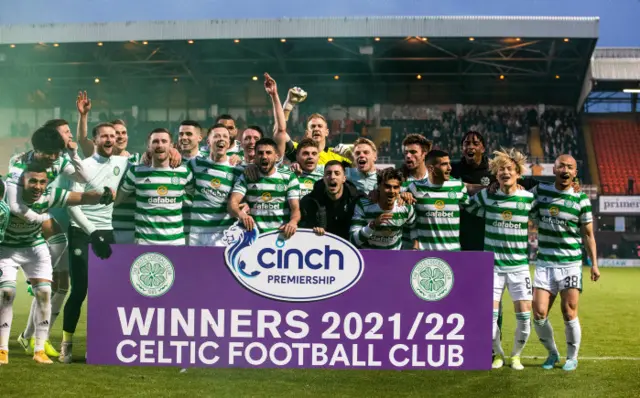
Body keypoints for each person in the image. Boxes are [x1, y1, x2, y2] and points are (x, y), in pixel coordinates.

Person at [0, 163, 112, 365]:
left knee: (49, 291)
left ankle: (37, 347)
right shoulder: (8, 193)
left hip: (38, 244)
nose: (38, 186)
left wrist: (104, 195)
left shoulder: (51, 192)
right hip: (8, 248)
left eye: (42, 181)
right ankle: (7, 347)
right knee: (8, 294)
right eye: (33, 181)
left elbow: (82, 197)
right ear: (22, 182)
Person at [59, 123, 128, 363]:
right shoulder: (84, 166)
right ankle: (66, 343)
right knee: (80, 289)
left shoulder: (122, 163)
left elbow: (149, 159)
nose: (110, 139)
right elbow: (73, 206)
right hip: (82, 230)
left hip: (107, 232)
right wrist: (92, 232)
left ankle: (97, 345)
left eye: (114, 136)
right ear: (95, 140)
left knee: (106, 292)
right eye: (105, 136)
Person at [466, 147, 535, 371]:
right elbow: (468, 209)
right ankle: (498, 354)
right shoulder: (487, 196)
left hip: (519, 268)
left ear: (518, 173)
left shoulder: (528, 199)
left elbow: (542, 215)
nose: (505, 172)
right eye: (501, 169)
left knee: (525, 318)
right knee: (490, 318)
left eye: (509, 169)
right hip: (492, 267)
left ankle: (515, 356)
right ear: (496, 175)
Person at [531, 154, 600, 372]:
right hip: (544, 262)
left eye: (570, 167)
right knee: (539, 312)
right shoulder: (540, 191)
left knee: (569, 311)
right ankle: (552, 353)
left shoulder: (581, 199)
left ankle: (572, 357)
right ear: (554, 169)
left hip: (570, 262)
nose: (565, 170)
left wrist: (594, 264)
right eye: (562, 166)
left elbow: (588, 235)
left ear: (575, 173)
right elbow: (520, 200)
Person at [115, 128, 194, 245]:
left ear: (171, 146)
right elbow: (118, 199)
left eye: (164, 141)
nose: (160, 145)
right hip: (144, 242)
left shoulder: (184, 173)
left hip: (175, 242)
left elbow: (198, 200)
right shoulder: (136, 172)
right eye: (155, 141)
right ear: (149, 146)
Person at [228, 137, 300, 237]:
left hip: (280, 234)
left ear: (277, 156)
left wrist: (293, 222)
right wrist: (241, 215)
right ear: (255, 157)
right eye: (260, 153)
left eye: (268, 153)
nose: (264, 156)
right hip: (255, 236)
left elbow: (295, 208)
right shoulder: (247, 175)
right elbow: (232, 202)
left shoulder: (288, 177)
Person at [187, 124, 243, 246]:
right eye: (216, 136)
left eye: (224, 136)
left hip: (223, 233)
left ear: (229, 142)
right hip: (197, 233)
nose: (221, 139)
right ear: (208, 141)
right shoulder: (195, 163)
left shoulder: (237, 169)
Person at [407, 149, 470, 251]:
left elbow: (473, 207)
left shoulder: (458, 186)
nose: (450, 168)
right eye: (444, 164)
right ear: (431, 168)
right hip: (425, 253)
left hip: (453, 252)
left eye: (449, 163)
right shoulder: (415, 188)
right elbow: (408, 220)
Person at [350, 168, 416, 250]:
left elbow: (415, 230)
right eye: (387, 186)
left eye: (395, 187)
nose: (392, 191)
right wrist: (372, 225)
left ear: (400, 189)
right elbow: (353, 240)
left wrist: (413, 249)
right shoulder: (363, 205)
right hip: (368, 258)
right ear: (379, 186)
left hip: (394, 258)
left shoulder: (406, 207)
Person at [300, 160, 365, 240]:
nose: (332, 177)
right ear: (323, 178)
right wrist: (314, 231)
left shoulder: (356, 199)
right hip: (321, 245)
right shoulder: (310, 201)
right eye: (328, 173)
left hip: (349, 246)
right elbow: (304, 230)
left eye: (337, 173)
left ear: (344, 178)